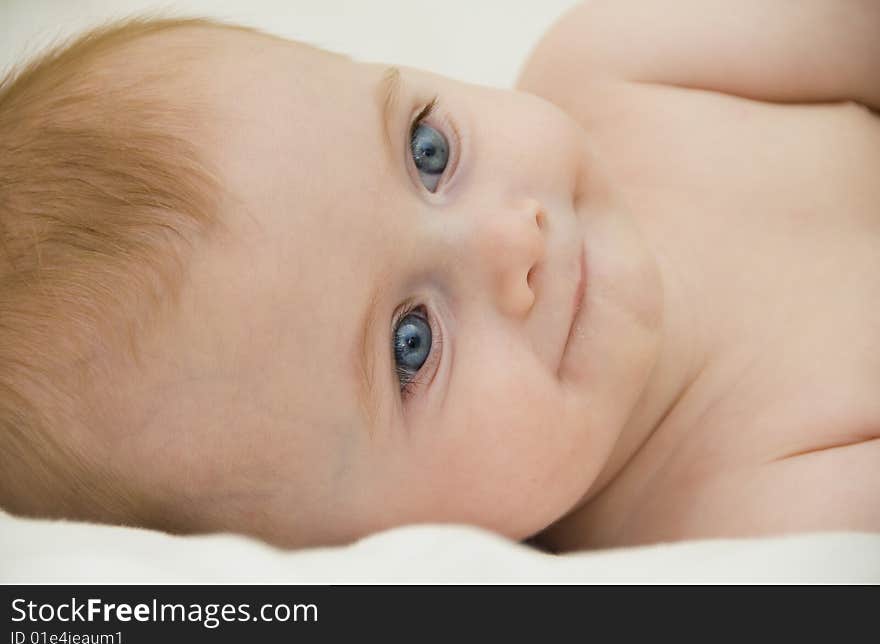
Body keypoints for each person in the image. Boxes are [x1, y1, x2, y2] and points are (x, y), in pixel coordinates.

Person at [0, 1, 877, 553]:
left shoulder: (616, 68)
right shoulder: (727, 524)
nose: (511, 242)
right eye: (410, 344)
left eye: (430, 149)